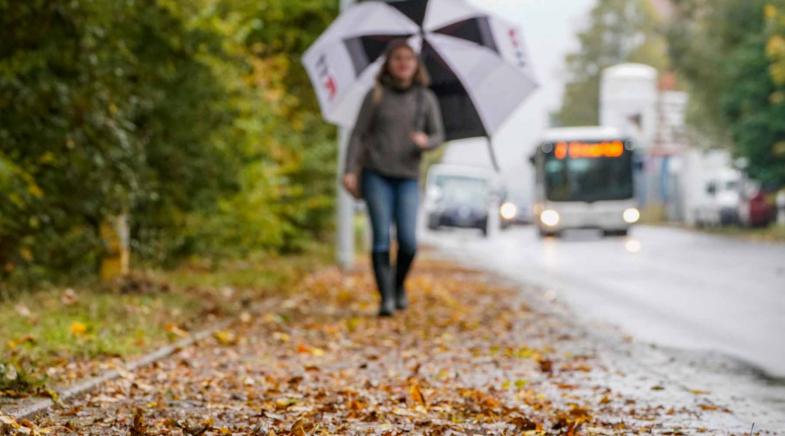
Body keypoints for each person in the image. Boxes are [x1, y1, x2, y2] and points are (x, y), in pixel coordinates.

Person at [342, 40, 445, 317]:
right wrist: (350, 169)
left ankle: (397, 285)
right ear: (388, 63)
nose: (403, 63)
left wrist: (426, 141)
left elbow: (438, 136)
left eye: (408, 59)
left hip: (408, 177)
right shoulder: (375, 95)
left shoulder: (425, 99)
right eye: (397, 58)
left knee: (409, 241)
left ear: (416, 65)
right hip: (377, 174)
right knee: (381, 240)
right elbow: (358, 134)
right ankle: (385, 298)